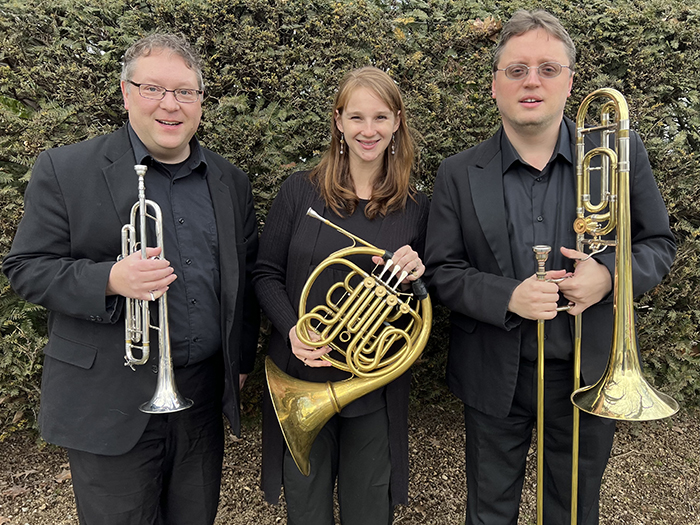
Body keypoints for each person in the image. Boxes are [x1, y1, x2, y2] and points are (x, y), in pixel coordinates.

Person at [424, 9, 675, 525]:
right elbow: (442, 270)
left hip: (589, 372)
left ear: (570, 81)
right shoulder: (457, 173)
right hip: (496, 372)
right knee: (488, 511)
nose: (531, 81)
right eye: (516, 70)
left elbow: (657, 244)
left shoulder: (617, 151)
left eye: (547, 68)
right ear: (495, 85)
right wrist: (507, 296)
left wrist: (606, 277)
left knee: (574, 510)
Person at [3, 33, 259, 525]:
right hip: (106, 400)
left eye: (185, 92)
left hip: (199, 400)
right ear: (125, 93)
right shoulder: (65, 168)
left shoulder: (230, 181)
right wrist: (110, 279)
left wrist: (240, 360)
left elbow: (242, 283)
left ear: (200, 102)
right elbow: (26, 268)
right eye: (153, 89)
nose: (171, 105)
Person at [253, 66, 429, 525]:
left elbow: (422, 300)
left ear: (396, 123)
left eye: (379, 118)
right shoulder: (300, 193)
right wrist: (292, 329)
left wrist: (413, 276)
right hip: (300, 372)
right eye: (356, 117)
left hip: (371, 385)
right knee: (305, 507)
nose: (367, 130)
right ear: (338, 122)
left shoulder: (415, 208)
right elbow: (265, 273)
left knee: (369, 508)